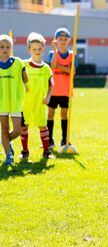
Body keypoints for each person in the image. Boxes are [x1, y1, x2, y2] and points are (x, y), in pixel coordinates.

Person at [20, 32, 54, 160]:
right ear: (29, 50)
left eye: (39, 48)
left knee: (43, 126)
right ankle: (24, 151)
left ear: (43, 48)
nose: (37, 51)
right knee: (24, 126)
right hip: (25, 102)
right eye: (34, 49)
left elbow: (51, 84)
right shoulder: (23, 65)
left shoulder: (46, 68)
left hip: (40, 102)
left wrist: (48, 97)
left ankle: (46, 152)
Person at [0, 34, 28, 166]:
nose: (5, 49)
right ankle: (8, 155)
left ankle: (5, 142)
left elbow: (26, 78)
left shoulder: (18, 62)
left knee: (17, 130)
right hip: (1, 102)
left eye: (7, 47)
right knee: (4, 128)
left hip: (16, 101)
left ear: (12, 48)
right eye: (1, 47)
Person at [47, 27, 76, 148]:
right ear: (56, 40)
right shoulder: (51, 53)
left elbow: (72, 71)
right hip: (53, 90)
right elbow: (52, 66)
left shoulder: (72, 54)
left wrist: (60, 66)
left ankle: (64, 140)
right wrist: (55, 51)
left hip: (66, 90)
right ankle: (49, 140)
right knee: (50, 113)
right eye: (60, 39)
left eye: (65, 39)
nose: (63, 41)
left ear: (69, 40)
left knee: (64, 114)